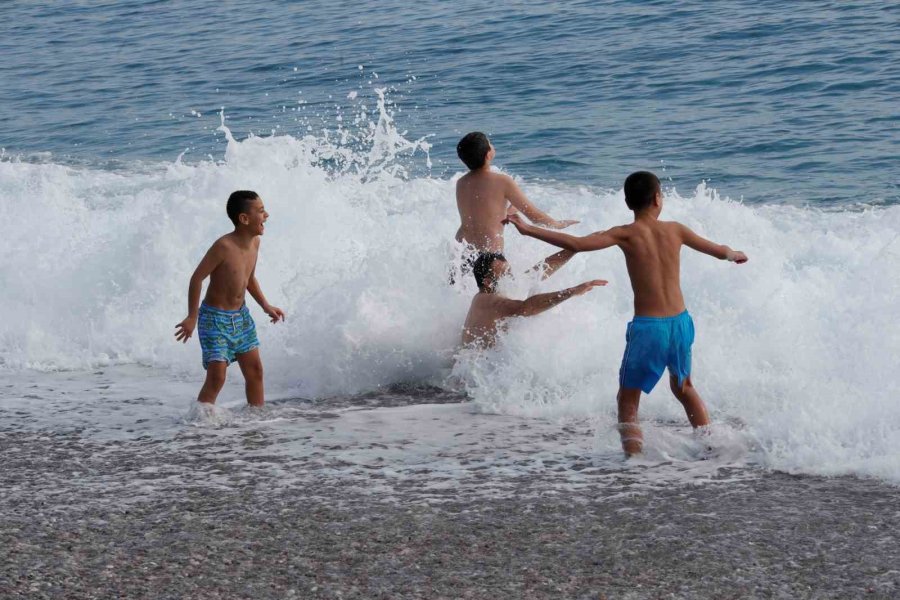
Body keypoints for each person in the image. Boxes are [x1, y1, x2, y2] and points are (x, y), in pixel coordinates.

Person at [505, 171, 748, 456]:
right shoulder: (676, 230)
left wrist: (527, 229)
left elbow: (577, 244)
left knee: (628, 400)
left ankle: (634, 461)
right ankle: (711, 446)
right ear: (658, 199)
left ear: (627, 202)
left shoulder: (625, 234)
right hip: (681, 323)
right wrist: (734, 254)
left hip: (649, 329)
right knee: (684, 387)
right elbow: (719, 251)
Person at [174, 190, 285, 407]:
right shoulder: (223, 246)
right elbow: (197, 278)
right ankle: (200, 423)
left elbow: (249, 278)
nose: (267, 215)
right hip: (214, 320)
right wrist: (191, 316)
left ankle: (257, 420)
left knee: (255, 372)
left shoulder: (254, 244)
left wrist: (265, 305)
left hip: (241, 318)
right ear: (244, 219)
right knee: (217, 377)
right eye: (261, 211)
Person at [452, 132, 578, 281]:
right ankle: (574, 250)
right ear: (488, 155)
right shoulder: (502, 181)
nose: (493, 145)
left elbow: (485, 214)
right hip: (490, 256)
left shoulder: (461, 183)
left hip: (463, 253)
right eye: (490, 143)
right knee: (519, 289)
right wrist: (557, 224)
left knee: (468, 301)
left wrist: (510, 210)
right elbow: (534, 216)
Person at [461, 250, 607, 347]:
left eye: (509, 272)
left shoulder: (487, 295)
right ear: (487, 282)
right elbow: (526, 308)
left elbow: (538, 271)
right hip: (471, 387)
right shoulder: (488, 301)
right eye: (505, 274)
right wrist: (571, 291)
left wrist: (575, 248)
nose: (510, 278)